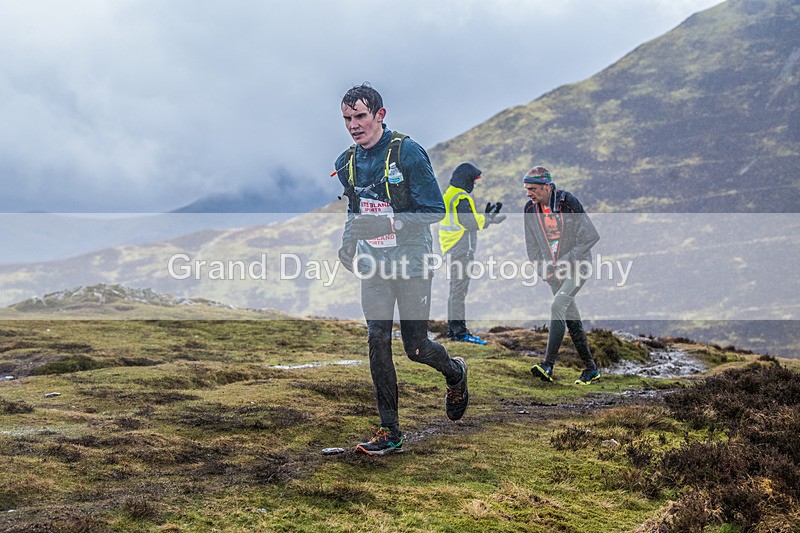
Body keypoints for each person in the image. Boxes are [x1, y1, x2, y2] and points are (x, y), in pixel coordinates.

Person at [334, 83, 469, 456]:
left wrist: (391, 223)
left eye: (360, 116)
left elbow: (434, 210)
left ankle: (455, 372)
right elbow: (355, 210)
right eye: (347, 118)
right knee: (377, 339)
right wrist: (348, 242)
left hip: (412, 262)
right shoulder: (346, 162)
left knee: (416, 347)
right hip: (374, 266)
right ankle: (389, 431)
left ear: (380, 115)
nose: (353, 125)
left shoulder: (407, 153)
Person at [523, 166, 602, 385]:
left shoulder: (568, 202)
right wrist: (543, 269)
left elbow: (590, 236)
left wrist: (565, 260)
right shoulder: (529, 209)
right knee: (571, 318)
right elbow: (532, 246)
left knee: (558, 305)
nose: (528, 194)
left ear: (547, 187)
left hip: (579, 266)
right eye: (526, 189)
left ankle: (548, 365)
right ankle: (591, 369)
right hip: (553, 271)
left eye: (532, 189)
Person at [439, 162, 506, 344]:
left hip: (451, 247)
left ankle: (455, 331)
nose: (474, 185)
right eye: (473, 181)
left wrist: (485, 217)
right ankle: (459, 333)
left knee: (456, 290)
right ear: (466, 179)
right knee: (458, 291)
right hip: (460, 248)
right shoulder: (460, 197)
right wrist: (489, 219)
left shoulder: (450, 194)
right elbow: (469, 222)